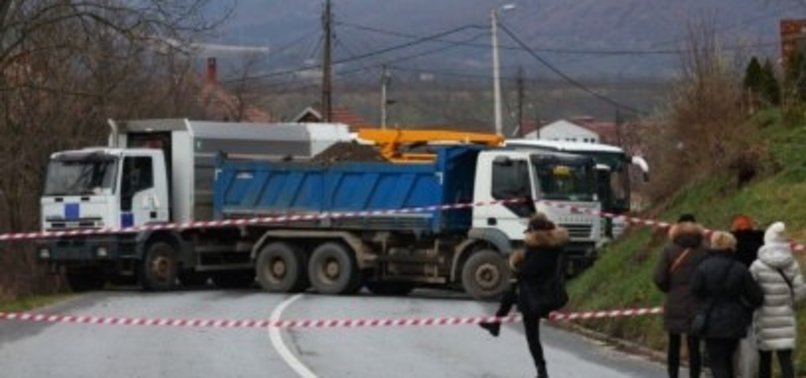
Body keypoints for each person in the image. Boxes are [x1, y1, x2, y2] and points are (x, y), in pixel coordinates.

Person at [478, 212, 569, 378]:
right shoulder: (554, 248)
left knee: (532, 335)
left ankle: (541, 371)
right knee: (511, 290)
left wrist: (516, 265)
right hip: (548, 295)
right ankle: (496, 324)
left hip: (537, 298)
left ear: (534, 231)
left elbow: (529, 271)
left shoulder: (539, 250)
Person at [692, 231, 764, 378]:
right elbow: (756, 297)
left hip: (710, 320)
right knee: (728, 360)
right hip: (735, 321)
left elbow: (695, 290)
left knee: (717, 362)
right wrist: (745, 308)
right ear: (732, 246)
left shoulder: (703, 267)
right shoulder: (740, 268)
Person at [653, 213, 708, 378]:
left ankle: (673, 374)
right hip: (697, 303)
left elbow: (659, 277)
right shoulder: (705, 249)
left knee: (674, 343)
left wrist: (670, 289)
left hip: (675, 302)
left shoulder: (669, 249)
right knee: (694, 345)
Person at [749, 222, 806, 378]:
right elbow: (800, 291)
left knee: (765, 359)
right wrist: (791, 304)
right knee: (786, 360)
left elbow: (750, 291)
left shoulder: (757, 265)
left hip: (763, 316)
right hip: (785, 317)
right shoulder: (792, 264)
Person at [728, 214, 765, 377]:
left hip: (733, 301)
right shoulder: (760, 245)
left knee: (732, 342)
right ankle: (749, 372)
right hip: (755, 298)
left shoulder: (731, 248)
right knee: (751, 340)